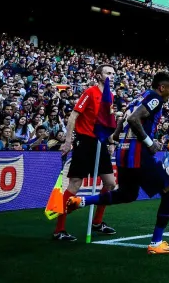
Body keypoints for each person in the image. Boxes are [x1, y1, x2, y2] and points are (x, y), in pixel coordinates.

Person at [68, 71, 169, 255]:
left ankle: (81, 201)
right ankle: (156, 242)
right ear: (162, 87)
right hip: (139, 154)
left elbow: (122, 119)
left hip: (123, 152)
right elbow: (133, 119)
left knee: (127, 194)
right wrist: (150, 143)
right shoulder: (155, 98)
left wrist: (115, 135)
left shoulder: (139, 97)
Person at [54, 64, 118, 242]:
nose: (111, 76)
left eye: (113, 74)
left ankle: (97, 222)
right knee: (74, 185)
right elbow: (73, 116)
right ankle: (59, 230)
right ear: (98, 75)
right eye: (107, 73)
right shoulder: (90, 92)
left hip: (101, 142)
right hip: (84, 141)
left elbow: (107, 122)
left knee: (110, 183)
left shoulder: (110, 96)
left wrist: (111, 141)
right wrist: (68, 141)